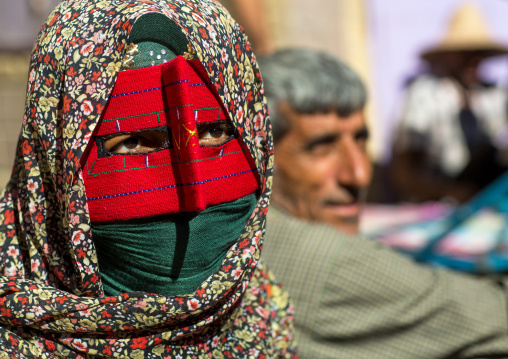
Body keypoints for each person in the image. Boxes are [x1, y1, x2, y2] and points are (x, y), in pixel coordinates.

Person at [0, 1, 296, 357]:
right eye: (133, 142)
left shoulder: (263, 313)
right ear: (55, 164)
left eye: (216, 133)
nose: (196, 200)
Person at [259, 48, 508, 359]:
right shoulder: (333, 262)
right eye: (321, 147)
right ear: (260, 157)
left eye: (361, 140)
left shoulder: (489, 96)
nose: (360, 174)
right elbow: (495, 316)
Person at [391, 3, 508, 203]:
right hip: (436, 204)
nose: (473, 61)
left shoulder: (492, 97)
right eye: (465, 53)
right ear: (447, 56)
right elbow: (404, 174)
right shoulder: (424, 96)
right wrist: (450, 192)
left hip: (485, 202)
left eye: (478, 53)